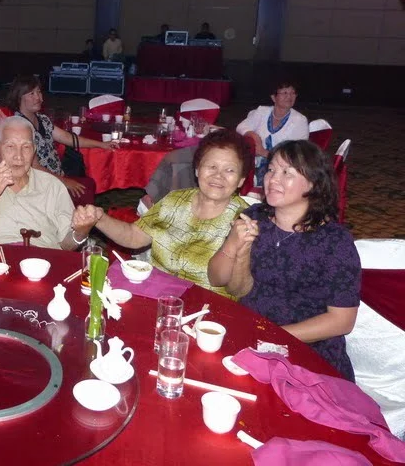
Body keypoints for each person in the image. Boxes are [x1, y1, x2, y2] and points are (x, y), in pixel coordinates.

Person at [208, 140, 360, 380]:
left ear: (314, 183)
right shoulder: (255, 217)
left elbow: (342, 321)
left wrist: (273, 335)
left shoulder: (334, 241)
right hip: (250, 335)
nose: (272, 179)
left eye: (286, 172)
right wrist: (234, 244)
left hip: (307, 352)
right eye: (271, 170)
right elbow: (220, 280)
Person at [89, 129, 252, 298]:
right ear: (197, 170)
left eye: (230, 170)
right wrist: (99, 218)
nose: (218, 175)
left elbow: (239, 289)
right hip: (155, 296)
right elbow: (134, 236)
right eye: (211, 166)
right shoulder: (174, 200)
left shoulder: (246, 219)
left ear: (241, 179)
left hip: (208, 309)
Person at [0, 117, 100, 250]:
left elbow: (66, 246)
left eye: (26, 147)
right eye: (10, 146)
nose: (19, 156)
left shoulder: (52, 186)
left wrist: (80, 233)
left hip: (43, 262)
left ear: (34, 150)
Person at [8, 75, 112, 202]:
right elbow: (34, 166)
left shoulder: (42, 119)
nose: (39, 98)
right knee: (84, 192)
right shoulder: (18, 127)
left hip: (55, 176)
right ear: (19, 97)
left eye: (39, 92)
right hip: (37, 183)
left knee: (88, 184)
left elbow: (68, 138)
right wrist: (64, 181)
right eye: (32, 94)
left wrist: (101, 144)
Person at [237, 81, 308, 184]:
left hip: (283, 169)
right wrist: (253, 135)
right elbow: (241, 127)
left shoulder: (299, 120)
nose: (289, 96)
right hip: (254, 163)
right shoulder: (262, 112)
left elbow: (297, 153)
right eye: (284, 93)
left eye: (293, 93)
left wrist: (264, 153)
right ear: (274, 97)